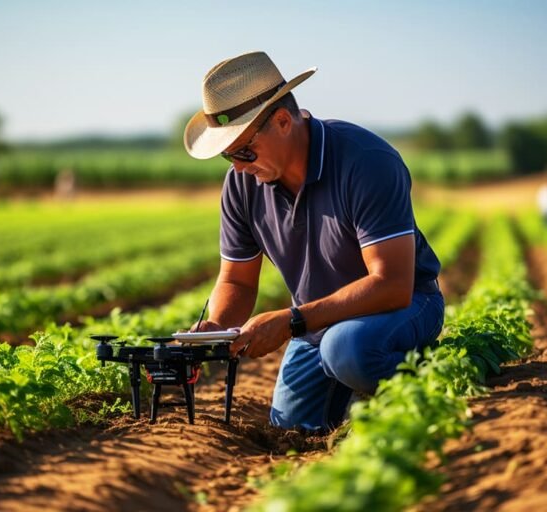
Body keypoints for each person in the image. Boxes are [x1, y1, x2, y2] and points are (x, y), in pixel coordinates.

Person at [183, 51, 444, 431]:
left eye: (243, 150)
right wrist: (218, 327)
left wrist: (291, 321)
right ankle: (353, 393)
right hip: (316, 324)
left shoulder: (366, 161)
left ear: (284, 121)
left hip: (403, 306)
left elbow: (392, 285)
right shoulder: (242, 184)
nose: (238, 166)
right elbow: (237, 280)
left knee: (347, 350)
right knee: (291, 427)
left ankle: (429, 381)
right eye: (227, 156)